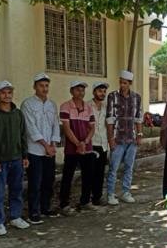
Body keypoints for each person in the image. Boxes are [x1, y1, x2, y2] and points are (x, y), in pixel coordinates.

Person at [0, 80, 30, 236]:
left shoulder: (18, 114)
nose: (7, 95)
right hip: (0, 161)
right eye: (3, 92)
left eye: (9, 92)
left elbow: (23, 135)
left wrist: (24, 155)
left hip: (17, 159)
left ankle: (15, 216)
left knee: (16, 189)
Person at [22, 74, 61, 223]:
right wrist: (45, 145)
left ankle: (45, 208)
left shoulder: (52, 104)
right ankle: (34, 212)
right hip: (35, 151)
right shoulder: (27, 104)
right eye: (41, 85)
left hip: (50, 151)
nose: (44, 89)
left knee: (48, 181)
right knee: (35, 182)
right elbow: (30, 128)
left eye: (46, 86)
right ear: (34, 87)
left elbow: (55, 125)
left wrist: (53, 145)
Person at [57, 80, 96, 215]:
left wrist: (85, 142)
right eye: (77, 89)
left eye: (82, 90)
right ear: (71, 91)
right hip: (72, 149)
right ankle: (64, 204)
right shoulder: (65, 106)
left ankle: (85, 202)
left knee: (88, 175)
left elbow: (92, 128)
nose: (81, 92)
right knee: (68, 176)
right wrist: (78, 143)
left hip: (87, 147)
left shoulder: (88, 107)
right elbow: (66, 129)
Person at [105, 71, 143, 205]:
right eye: (121, 82)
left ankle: (126, 192)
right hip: (118, 138)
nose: (122, 85)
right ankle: (110, 194)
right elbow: (110, 119)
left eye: (125, 83)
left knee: (129, 167)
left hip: (131, 138)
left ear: (130, 83)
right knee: (113, 168)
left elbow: (138, 118)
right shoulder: (112, 96)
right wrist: (110, 139)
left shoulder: (136, 98)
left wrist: (139, 135)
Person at [87, 82, 110, 204]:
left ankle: (97, 197)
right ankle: (87, 198)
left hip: (103, 143)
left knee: (100, 172)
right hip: (91, 143)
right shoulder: (87, 106)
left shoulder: (107, 107)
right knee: (90, 172)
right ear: (94, 92)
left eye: (104, 91)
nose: (102, 94)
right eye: (100, 91)